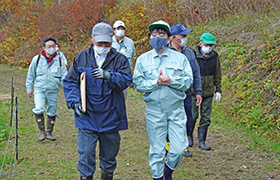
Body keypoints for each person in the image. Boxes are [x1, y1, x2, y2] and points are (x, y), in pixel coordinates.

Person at [63, 22, 132, 180]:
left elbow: (126, 80)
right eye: (100, 42)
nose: (103, 45)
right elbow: (70, 82)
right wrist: (74, 102)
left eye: (106, 42)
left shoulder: (120, 59)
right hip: (87, 116)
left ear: (112, 40)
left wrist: (108, 76)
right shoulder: (81, 58)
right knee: (86, 154)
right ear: (92, 39)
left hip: (111, 116)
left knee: (109, 157)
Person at [133, 20, 193, 180]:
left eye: (161, 34)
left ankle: (167, 171)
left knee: (179, 148)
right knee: (157, 150)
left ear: (168, 38)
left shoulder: (180, 59)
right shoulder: (142, 60)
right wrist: (156, 82)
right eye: (154, 35)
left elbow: (188, 81)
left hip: (176, 110)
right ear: (149, 37)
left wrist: (171, 80)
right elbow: (138, 84)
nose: (157, 37)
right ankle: (158, 177)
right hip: (154, 111)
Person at [167, 24, 202, 157]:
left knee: (188, 119)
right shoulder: (165, 52)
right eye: (183, 36)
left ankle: (184, 144)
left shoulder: (189, 53)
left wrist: (198, 91)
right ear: (174, 37)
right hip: (170, 94)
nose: (185, 38)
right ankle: (168, 145)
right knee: (170, 120)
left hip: (187, 94)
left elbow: (196, 73)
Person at [26, 37, 67, 141]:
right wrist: (29, 88)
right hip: (40, 89)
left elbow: (64, 75)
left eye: (53, 46)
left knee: (52, 111)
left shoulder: (60, 60)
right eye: (49, 46)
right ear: (44, 47)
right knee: (39, 108)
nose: (51, 48)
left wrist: (67, 88)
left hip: (53, 90)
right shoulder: (37, 59)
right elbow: (31, 74)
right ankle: (42, 132)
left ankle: (49, 132)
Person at [192, 32, 222, 150]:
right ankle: (189, 137)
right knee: (193, 116)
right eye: (207, 44)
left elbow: (217, 74)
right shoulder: (193, 55)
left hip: (208, 92)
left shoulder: (214, 56)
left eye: (211, 45)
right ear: (200, 43)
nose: (209, 47)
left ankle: (201, 142)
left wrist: (218, 90)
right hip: (194, 92)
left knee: (206, 118)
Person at [112, 20, 136, 100]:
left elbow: (132, 57)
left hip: (123, 76)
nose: (120, 30)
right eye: (118, 28)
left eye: (122, 28)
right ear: (114, 30)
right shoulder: (109, 42)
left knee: (122, 100)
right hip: (110, 75)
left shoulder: (130, 42)